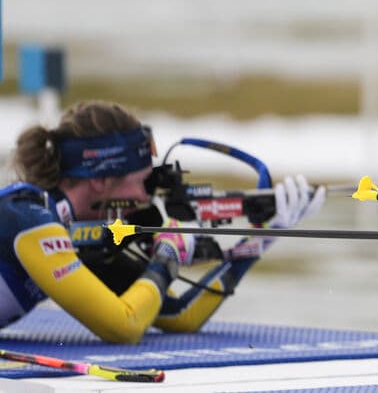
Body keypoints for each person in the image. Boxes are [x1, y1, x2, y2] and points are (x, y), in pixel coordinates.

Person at [0, 100, 324, 343]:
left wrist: (262, 236)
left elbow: (181, 315)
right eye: (142, 181)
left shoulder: (80, 237)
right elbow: (121, 326)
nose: (145, 197)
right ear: (100, 179)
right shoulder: (28, 216)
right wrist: (167, 254)